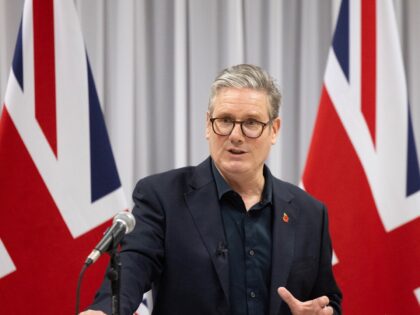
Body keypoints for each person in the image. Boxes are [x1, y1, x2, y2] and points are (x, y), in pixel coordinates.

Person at [81, 64, 342, 315]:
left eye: (251, 123)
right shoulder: (162, 197)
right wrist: (105, 311)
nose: (236, 135)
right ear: (208, 124)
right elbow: (133, 265)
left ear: (273, 130)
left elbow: (327, 300)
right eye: (225, 120)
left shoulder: (310, 213)